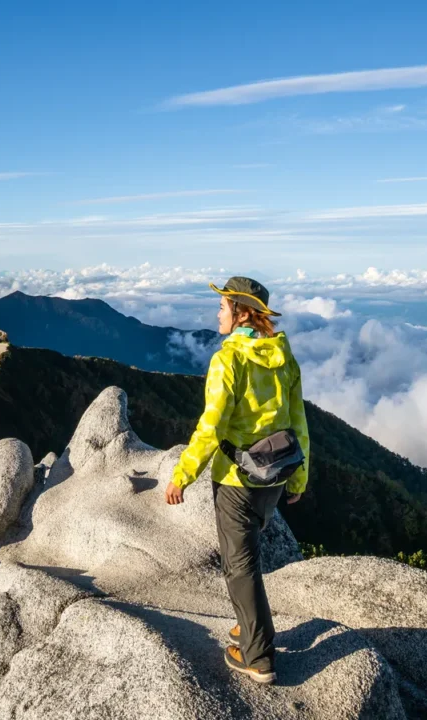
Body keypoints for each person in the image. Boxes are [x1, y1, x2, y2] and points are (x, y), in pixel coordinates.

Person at [164, 276, 310, 685]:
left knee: (238, 566)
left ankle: (257, 656)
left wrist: (182, 475)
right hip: (275, 474)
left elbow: (211, 427)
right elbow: (298, 422)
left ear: (242, 313)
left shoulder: (228, 360)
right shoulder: (283, 356)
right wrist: (299, 478)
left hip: (237, 479)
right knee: (249, 558)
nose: (218, 314)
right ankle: (252, 625)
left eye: (223, 307)